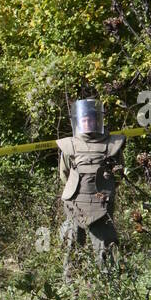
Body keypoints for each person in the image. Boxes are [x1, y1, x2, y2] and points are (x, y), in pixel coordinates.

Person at [57, 98, 125, 274]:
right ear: (79, 122)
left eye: (91, 119)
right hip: (75, 202)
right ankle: (71, 285)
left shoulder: (112, 145)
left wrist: (105, 191)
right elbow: (64, 174)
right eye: (84, 120)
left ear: (98, 120)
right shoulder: (69, 145)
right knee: (72, 244)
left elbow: (118, 175)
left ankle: (109, 285)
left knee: (105, 245)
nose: (88, 123)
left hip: (102, 203)